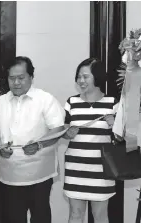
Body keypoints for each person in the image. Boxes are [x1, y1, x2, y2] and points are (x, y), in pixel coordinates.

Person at [0, 56, 65, 223]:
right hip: (9, 175)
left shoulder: (45, 99)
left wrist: (39, 144)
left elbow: (58, 128)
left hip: (39, 174)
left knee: (40, 217)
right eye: (12, 78)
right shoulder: (1, 102)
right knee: (13, 218)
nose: (16, 82)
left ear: (31, 77)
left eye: (21, 78)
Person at [63, 58, 118, 223]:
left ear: (98, 77)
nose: (81, 81)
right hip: (75, 168)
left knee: (100, 217)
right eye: (79, 76)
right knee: (75, 215)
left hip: (102, 170)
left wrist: (114, 125)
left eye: (85, 77)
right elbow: (62, 132)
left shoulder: (113, 104)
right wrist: (67, 134)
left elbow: (123, 139)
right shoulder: (71, 103)